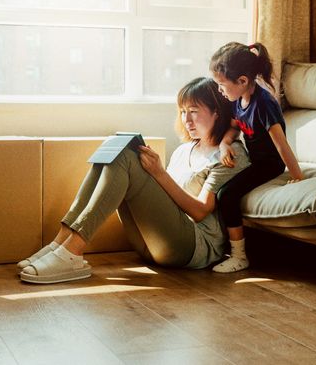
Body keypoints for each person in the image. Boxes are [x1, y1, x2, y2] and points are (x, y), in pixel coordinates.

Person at [18, 77, 250, 284]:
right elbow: (165, 199)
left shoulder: (229, 154)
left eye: (194, 111)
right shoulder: (183, 150)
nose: (186, 119)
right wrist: (150, 172)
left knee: (126, 159)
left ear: (216, 112)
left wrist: (159, 173)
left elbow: (201, 211)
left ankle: (73, 251)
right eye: (182, 111)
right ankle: (60, 244)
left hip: (195, 248)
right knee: (115, 151)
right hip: (153, 245)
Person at [209, 42, 305, 273]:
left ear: (242, 81)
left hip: (269, 164)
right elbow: (234, 127)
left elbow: (281, 145)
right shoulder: (238, 100)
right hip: (253, 159)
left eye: (222, 85)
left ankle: (239, 256)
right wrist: (224, 144)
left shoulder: (264, 104)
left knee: (227, 195)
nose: (220, 91)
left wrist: (298, 177)